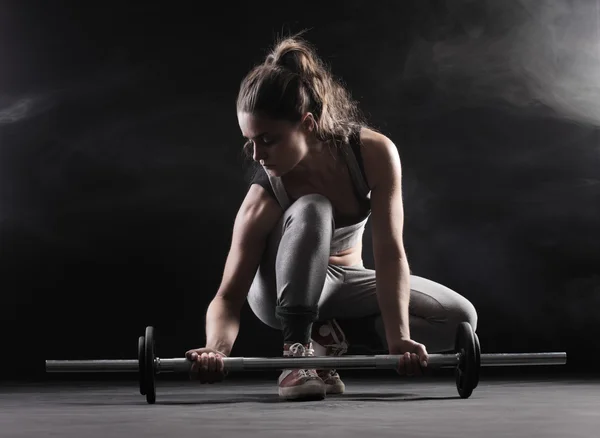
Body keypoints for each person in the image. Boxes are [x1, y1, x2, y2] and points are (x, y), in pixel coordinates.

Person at [185, 33, 478, 401]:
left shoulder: (372, 153)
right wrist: (216, 349)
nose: (257, 155)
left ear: (307, 124)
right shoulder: (262, 196)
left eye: (268, 139)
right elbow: (228, 296)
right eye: (250, 142)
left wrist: (398, 336)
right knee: (313, 206)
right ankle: (296, 355)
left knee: (458, 318)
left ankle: (328, 344)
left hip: (346, 285)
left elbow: (390, 254)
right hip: (277, 295)